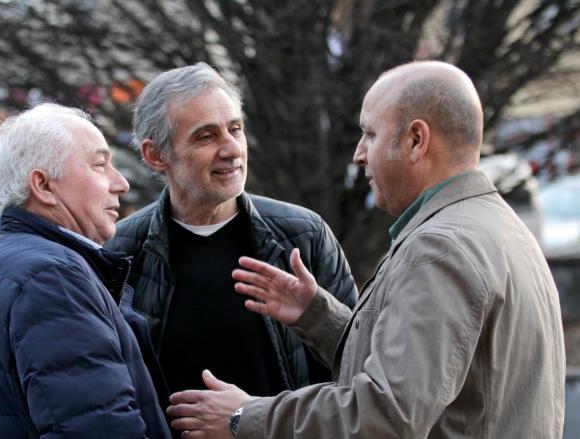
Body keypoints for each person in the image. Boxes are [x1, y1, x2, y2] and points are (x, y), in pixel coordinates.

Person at [166, 61, 566, 438]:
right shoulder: (494, 226)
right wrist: (317, 316)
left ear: (415, 140)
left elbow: (385, 416)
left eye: (370, 134)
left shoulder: (439, 247)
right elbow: (430, 376)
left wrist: (245, 417)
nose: (359, 154)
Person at [105, 62, 358, 407]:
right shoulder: (119, 253)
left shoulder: (302, 235)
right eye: (206, 136)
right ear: (156, 155)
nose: (232, 149)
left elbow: (360, 366)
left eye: (235, 129)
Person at [0, 103, 171, 439]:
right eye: (100, 164)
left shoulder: (11, 265)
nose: (121, 183)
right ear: (43, 186)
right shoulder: (51, 276)